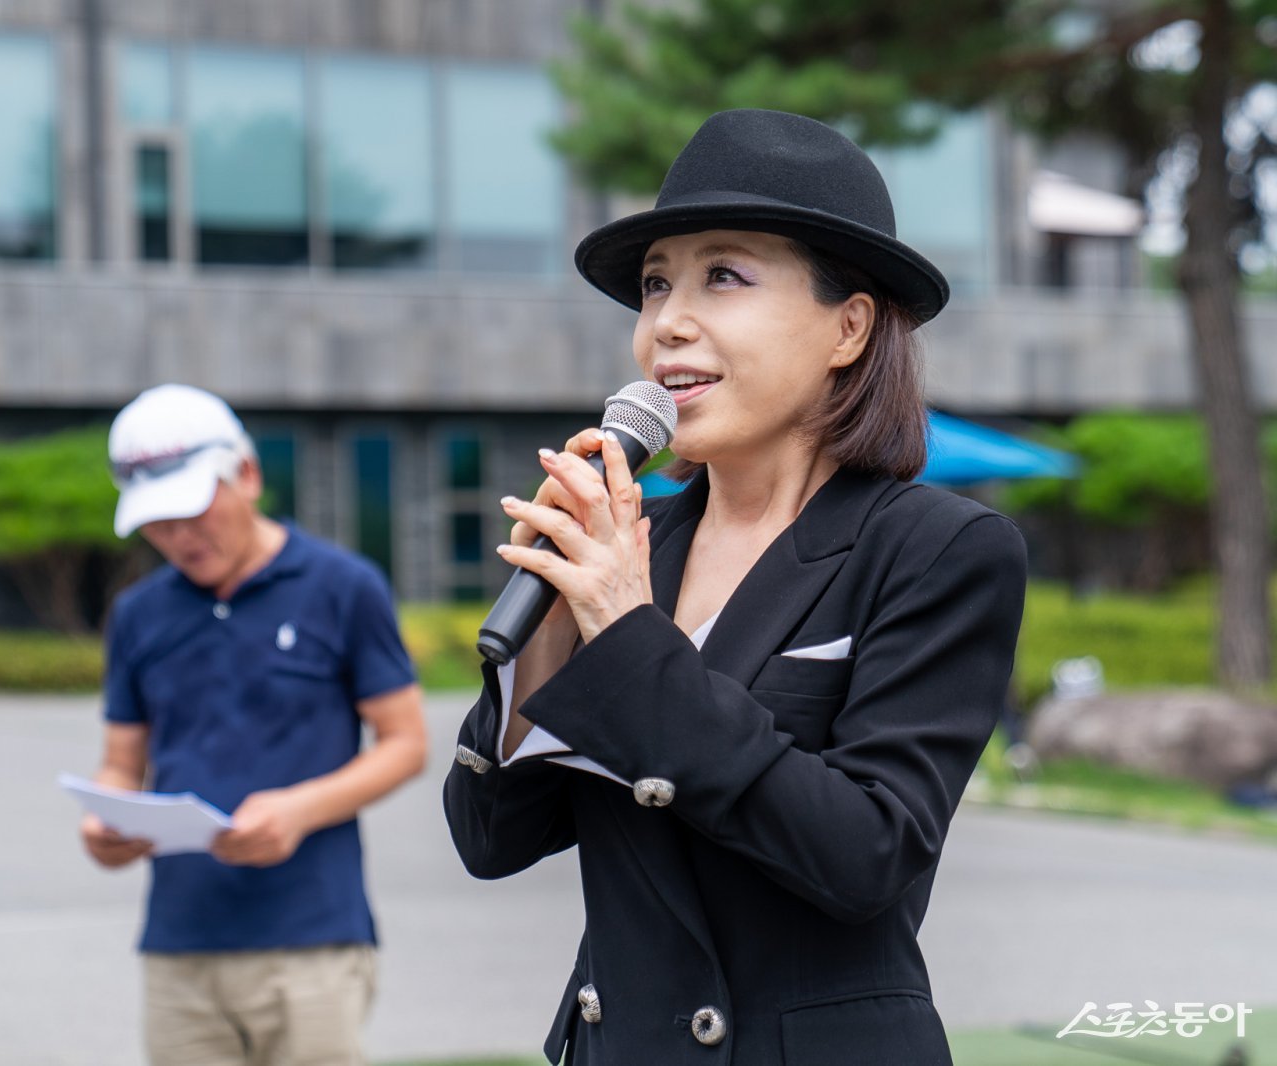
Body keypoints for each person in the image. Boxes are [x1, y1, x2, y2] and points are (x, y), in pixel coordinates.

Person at [442, 109, 1027, 1065]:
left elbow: (867, 856)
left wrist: (626, 632)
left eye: (725, 275)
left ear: (849, 326)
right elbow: (490, 841)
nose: (668, 320)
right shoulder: (637, 546)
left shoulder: (938, 550)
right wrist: (548, 626)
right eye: (655, 284)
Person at [82, 383, 427, 1066]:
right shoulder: (138, 614)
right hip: (179, 946)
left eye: (191, 511)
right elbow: (123, 759)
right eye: (158, 522)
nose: (178, 537)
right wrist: (106, 822)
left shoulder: (343, 586)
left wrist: (300, 809)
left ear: (246, 474)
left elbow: (406, 742)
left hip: (312, 940)